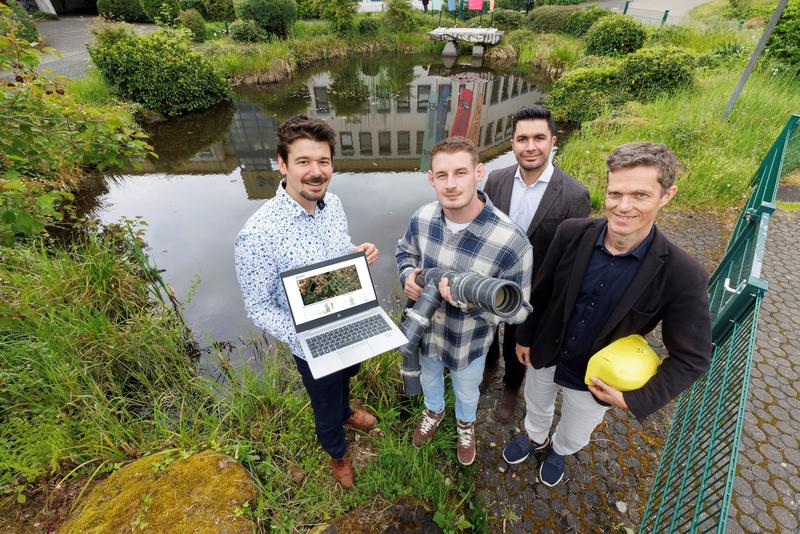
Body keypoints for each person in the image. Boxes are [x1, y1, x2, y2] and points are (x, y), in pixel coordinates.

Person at [501, 142, 712, 487]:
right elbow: (541, 291)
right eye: (616, 193)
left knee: (577, 426)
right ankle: (535, 436)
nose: (623, 206)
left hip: (596, 381)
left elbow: (693, 357)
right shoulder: (570, 233)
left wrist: (638, 399)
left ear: (667, 195)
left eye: (640, 195)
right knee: (536, 403)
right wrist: (525, 337)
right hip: (544, 354)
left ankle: (560, 450)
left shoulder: (683, 274)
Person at [234, 114, 379, 491]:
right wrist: (306, 335)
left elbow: (337, 252)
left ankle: (348, 411)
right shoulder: (257, 234)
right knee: (324, 406)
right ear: (282, 164)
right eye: (303, 162)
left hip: (349, 321)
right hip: (308, 339)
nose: (316, 172)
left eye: (324, 161)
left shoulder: (334, 204)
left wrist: (357, 253)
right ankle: (337, 452)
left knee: (348, 376)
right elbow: (258, 306)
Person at [396, 136, 533, 466]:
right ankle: (433, 411)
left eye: (461, 173)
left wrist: (470, 301)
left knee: (467, 389)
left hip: (469, 343)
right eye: (442, 175)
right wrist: (408, 278)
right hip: (425, 333)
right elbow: (404, 251)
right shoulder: (422, 218)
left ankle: (465, 425)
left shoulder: (512, 241)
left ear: (479, 172)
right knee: (429, 378)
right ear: (431, 179)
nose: (451, 184)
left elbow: (521, 310)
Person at [482, 105, 590, 422]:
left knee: (518, 341)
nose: (530, 147)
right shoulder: (496, 180)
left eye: (539, 138)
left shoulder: (574, 194)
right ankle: (488, 366)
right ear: (512, 143)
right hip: (492, 282)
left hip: (533, 290)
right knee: (488, 331)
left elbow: (571, 259)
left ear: (553, 141)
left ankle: (511, 387)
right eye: (522, 139)